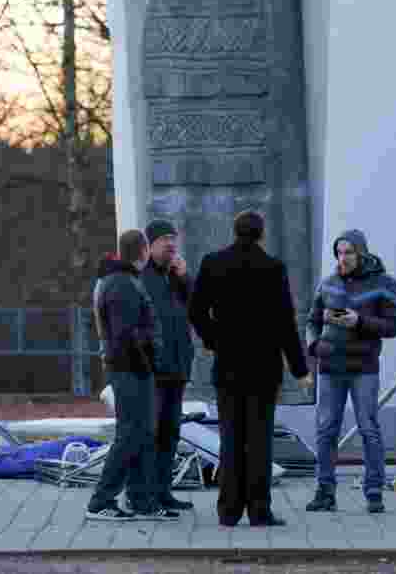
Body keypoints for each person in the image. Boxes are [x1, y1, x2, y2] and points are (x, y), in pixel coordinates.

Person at [188, 210, 313, 527]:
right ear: (261, 234)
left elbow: (196, 310)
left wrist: (214, 339)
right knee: (259, 440)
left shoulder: (213, 263)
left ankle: (228, 510)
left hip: (228, 365)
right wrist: (300, 369)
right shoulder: (273, 268)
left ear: (235, 231)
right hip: (263, 367)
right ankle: (259, 510)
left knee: (231, 437)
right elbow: (285, 323)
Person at [305, 230, 396, 515]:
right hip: (330, 367)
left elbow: (395, 325)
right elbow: (311, 321)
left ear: (361, 252)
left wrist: (359, 321)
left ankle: (374, 492)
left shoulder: (384, 284)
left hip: (363, 368)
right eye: (339, 253)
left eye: (348, 252)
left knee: (368, 429)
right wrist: (315, 345)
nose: (343, 258)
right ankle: (325, 492)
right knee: (326, 430)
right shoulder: (328, 284)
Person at [85, 230, 179, 522]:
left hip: (133, 367)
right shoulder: (122, 283)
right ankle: (101, 501)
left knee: (142, 434)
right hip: (131, 369)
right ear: (143, 251)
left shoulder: (121, 280)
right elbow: (126, 333)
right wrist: (147, 359)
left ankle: (142, 501)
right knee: (130, 434)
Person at [140, 219, 195, 511]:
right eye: (164, 239)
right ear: (150, 246)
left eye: (173, 238)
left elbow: (197, 308)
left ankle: (164, 491)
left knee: (171, 433)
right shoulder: (143, 277)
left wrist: (186, 279)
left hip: (178, 366)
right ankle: (146, 493)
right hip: (154, 369)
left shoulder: (175, 277)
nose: (171, 244)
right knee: (153, 432)